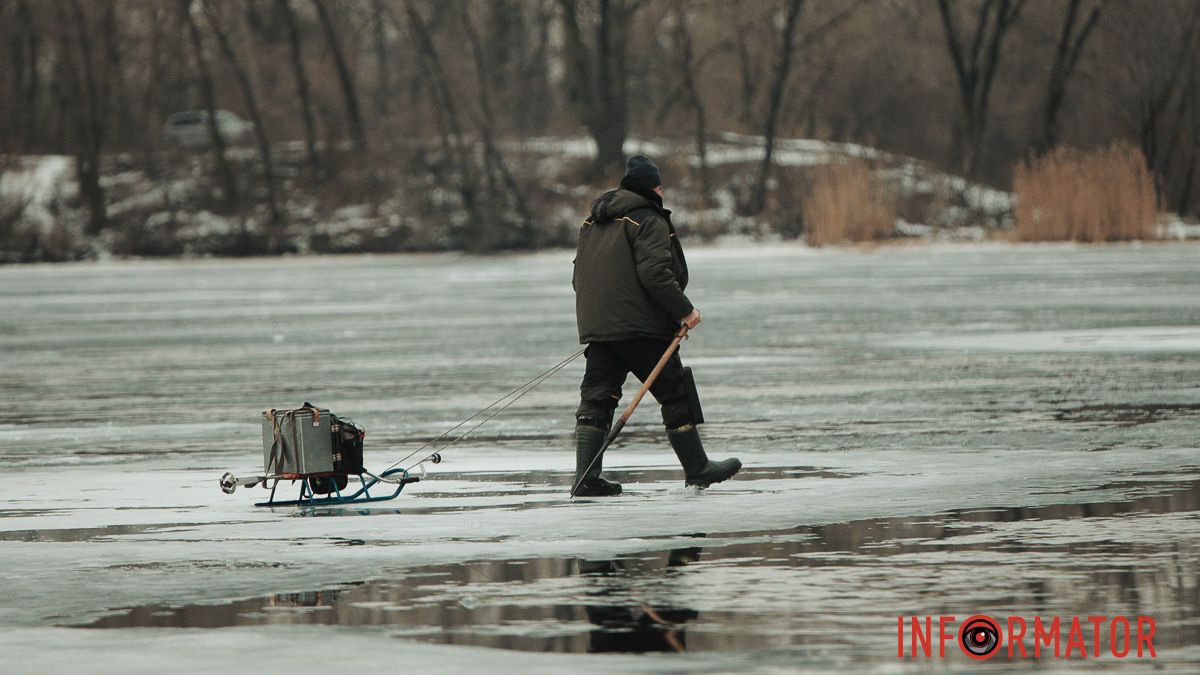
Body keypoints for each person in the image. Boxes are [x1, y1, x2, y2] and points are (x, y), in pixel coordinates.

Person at [571, 155, 741, 497]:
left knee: (597, 398)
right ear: (654, 188)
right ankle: (697, 468)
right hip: (641, 326)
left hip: (600, 327)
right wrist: (685, 310)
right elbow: (655, 274)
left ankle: (585, 478)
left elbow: (578, 276)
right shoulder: (646, 217)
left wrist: (601, 319)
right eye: (661, 187)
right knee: (675, 391)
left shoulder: (593, 222)